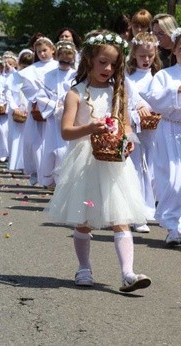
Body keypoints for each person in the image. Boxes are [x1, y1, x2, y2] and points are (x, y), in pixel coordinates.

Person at [46, 31, 151, 292]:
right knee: (84, 217)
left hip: (114, 162)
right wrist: (90, 128)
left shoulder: (119, 92)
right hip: (85, 163)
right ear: (89, 61)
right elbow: (66, 131)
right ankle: (84, 267)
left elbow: (125, 125)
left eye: (113, 64)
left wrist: (127, 142)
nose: (108, 68)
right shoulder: (76, 93)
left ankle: (128, 273)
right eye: (103, 62)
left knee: (120, 216)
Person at [140, 27, 181, 245]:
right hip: (169, 130)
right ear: (174, 50)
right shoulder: (165, 75)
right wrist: (176, 92)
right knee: (173, 181)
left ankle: (177, 227)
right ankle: (171, 225)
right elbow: (153, 98)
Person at [126, 32, 162, 234]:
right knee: (137, 169)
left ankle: (152, 208)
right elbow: (125, 100)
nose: (146, 60)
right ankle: (137, 213)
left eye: (149, 56)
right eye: (141, 56)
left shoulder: (159, 76)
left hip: (155, 130)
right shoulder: (128, 76)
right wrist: (137, 110)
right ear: (134, 54)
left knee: (154, 169)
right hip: (135, 130)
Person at [36, 41, 76, 188]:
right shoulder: (49, 76)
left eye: (68, 61)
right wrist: (54, 106)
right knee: (53, 152)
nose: (65, 63)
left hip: (71, 119)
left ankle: (66, 183)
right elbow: (41, 95)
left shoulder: (76, 75)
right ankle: (52, 180)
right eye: (62, 60)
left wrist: (68, 105)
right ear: (57, 57)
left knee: (65, 151)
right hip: (53, 121)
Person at [19, 37, 58, 185]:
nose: (42, 54)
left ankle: (52, 176)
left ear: (52, 50)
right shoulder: (32, 70)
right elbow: (27, 88)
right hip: (37, 108)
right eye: (39, 51)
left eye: (45, 50)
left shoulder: (57, 66)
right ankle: (40, 173)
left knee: (52, 142)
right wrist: (39, 100)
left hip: (54, 109)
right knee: (36, 142)